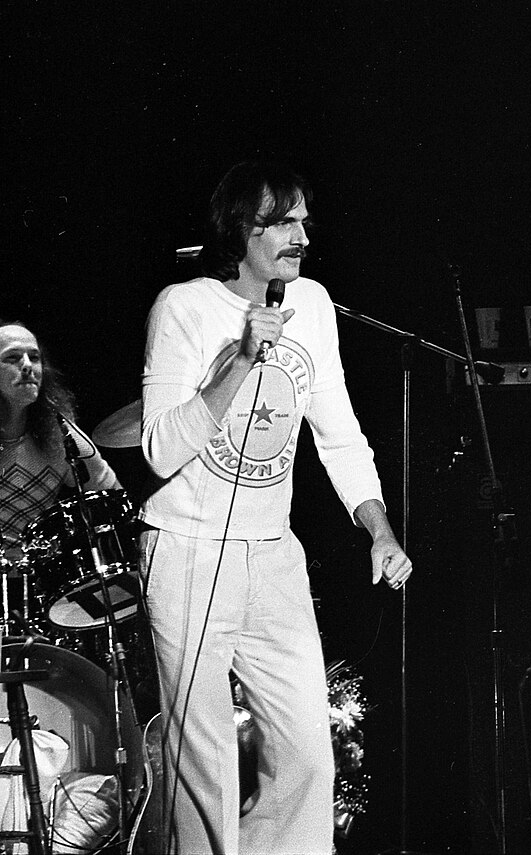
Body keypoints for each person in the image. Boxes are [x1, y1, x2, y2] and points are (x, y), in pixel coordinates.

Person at [139, 161, 413, 854]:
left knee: (309, 759)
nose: (302, 236)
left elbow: (340, 431)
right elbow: (159, 449)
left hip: (273, 552)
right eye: (283, 222)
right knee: (204, 771)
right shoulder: (184, 307)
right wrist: (238, 359)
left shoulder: (313, 305)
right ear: (241, 229)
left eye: (303, 222)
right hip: (188, 549)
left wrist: (378, 527)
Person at [1, 320, 121, 566]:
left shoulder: (60, 434)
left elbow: (112, 496)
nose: (27, 365)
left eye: (34, 358)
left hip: (36, 581)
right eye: (12, 358)